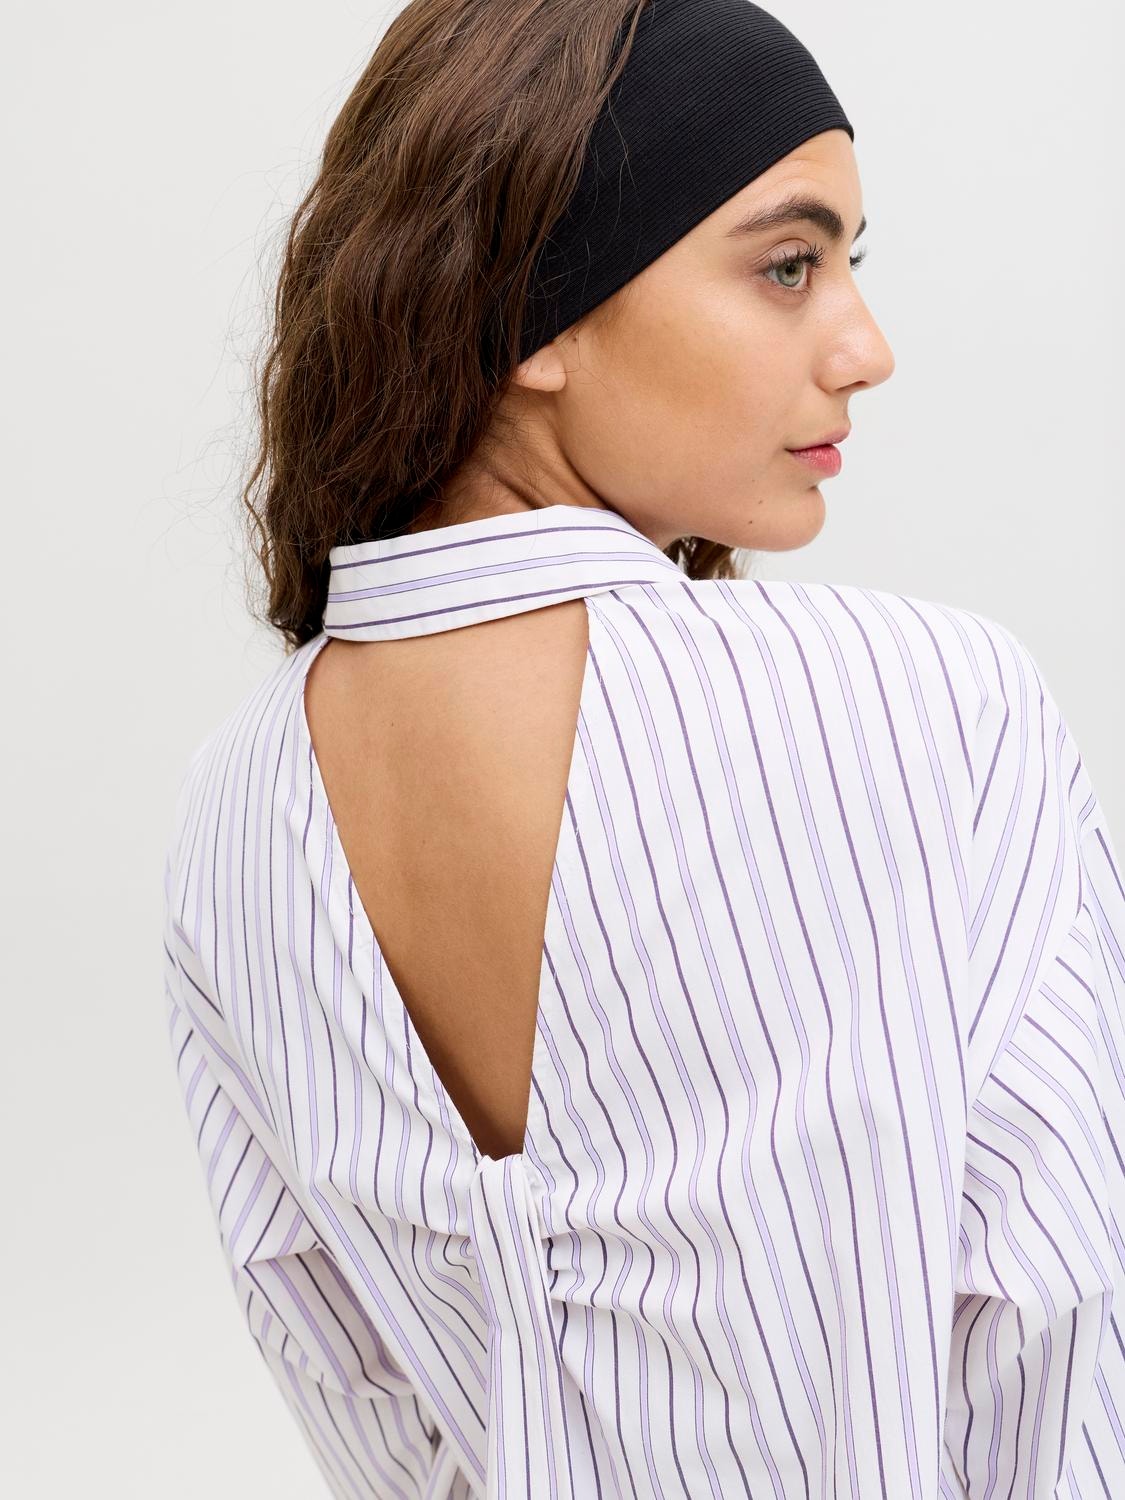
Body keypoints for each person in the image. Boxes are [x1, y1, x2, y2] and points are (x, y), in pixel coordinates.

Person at [160, 2, 1125, 1496]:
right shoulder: (930, 706)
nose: (865, 349)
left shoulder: (231, 812)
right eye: (787, 265)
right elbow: (1063, 1340)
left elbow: (355, 1389)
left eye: (849, 268)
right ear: (533, 310)